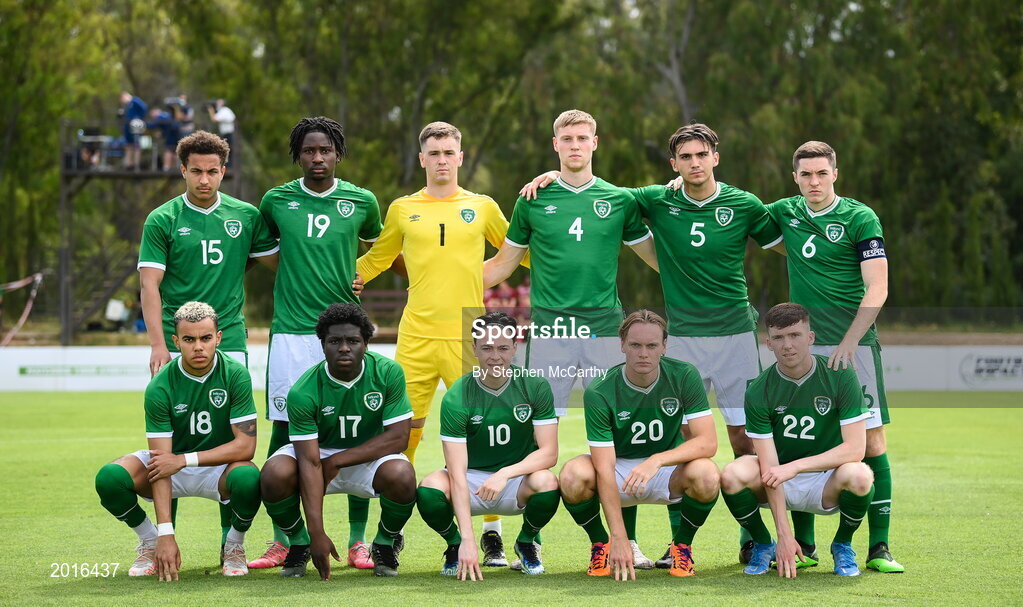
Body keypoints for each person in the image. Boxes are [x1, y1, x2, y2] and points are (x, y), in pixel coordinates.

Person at [522, 123, 784, 566]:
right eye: (686, 157)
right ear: (674, 166)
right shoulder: (652, 199)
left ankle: (754, 537)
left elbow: (789, 240)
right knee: (675, 433)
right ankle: (673, 545)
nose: (695, 163)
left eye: (702, 154)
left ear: (716, 157)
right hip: (680, 336)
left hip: (736, 333)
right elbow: (595, 194)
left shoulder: (744, 203)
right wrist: (550, 178)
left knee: (746, 439)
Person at [356, 122, 525, 565]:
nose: (443, 159)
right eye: (435, 152)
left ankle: (492, 533)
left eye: (450, 151)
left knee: (485, 433)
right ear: (422, 159)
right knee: (401, 437)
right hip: (415, 335)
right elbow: (376, 259)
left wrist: (484, 276)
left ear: (461, 157)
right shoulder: (401, 209)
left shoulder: (482, 206)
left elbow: (516, 250)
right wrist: (337, 278)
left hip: (468, 335)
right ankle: (390, 532)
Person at [765, 141, 903, 573]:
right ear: (795, 178)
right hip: (803, 345)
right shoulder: (785, 212)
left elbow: (877, 287)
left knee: (872, 443)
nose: (814, 182)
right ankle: (803, 546)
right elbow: (724, 203)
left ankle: (878, 547)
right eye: (806, 175)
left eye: (821, 173)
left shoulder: (860, 217)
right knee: (799, 438)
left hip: (855, 346)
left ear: (835, 174)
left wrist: (849, 340)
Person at [255, 116, 383, 570]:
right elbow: (268, 255)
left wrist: (361, 274)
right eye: (308, 151)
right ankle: (284, 538)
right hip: (291, 332)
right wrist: (298, 277)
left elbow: (380, 249)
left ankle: (357, 540)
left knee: (357, 427)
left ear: (338, 154)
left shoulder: (361, 200)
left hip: (344, 331)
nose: (317, 158)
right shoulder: (275, 201)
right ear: (297, 155)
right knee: (284, 428)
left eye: (325, 150)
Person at [93, 302, 261, 580]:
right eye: (189, 339)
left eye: (206, 338)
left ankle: (234, 545)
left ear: (218, 338)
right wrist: (165, 535)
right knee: (110, 478)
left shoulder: (235, 374)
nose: (198, 347)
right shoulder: (160, 385)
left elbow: (246, 446)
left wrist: (184, 460)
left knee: (250, 478)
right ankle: (148, 541)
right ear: (176, 341)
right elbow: (161, 462)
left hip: (216, 467)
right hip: (169, 463)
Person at [258, 303, 417, 579]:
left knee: (402, 475)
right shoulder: (303, 390)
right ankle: (299, 543)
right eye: (335, 341)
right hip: (316, 455)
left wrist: (337, 460)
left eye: (353, 341)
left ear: (366, 343)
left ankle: (383, 544)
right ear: (323, 345)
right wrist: (316, 532)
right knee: (274, 474)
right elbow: (308, 461)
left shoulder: (388, 372)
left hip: (368, 456)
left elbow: (399, 437)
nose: (344, 348)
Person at [560, 310, 719, 580]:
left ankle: (681, 545)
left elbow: (708, 442)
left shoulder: (684, 375)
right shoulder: (599, 390)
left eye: (651, 345)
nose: (643, 353)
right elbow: (603, 466)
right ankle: (602, 544)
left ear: (664, 347)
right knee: (572, 475)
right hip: (618, 468)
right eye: (635, 345)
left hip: (666, 468)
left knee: (707, 474)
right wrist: (618, 536)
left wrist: (655, 460)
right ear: (622, 345)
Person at [720, 302, 874, 577]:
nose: (787, 345)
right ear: (768, 343)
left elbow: (855, 448)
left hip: (826, 479)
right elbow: (769, 467)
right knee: (732, 474)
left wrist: (795, 466)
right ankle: (765, 544)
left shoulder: (840, 375)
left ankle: (842, 545)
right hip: (777, 479)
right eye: (778, 338)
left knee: (861, 475)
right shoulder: (758, 390)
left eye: (795, 335)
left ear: (810, 338)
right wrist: (784, 536)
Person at [417, 312, 560, 579]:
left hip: (516, 480)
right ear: (474, 349)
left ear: (515, 348)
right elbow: (457, 473)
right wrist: (468, 539)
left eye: (503, 348)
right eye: (487, 348)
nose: (495, 356)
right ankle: (454, 543)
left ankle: (526, 542)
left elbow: (549, 453)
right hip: (470, 481)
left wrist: (504, 473)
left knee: (548, 482)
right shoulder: (457, 396)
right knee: (429, 489)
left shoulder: (535, 386)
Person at [138, 130, 278, 376]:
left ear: (222, 172)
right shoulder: (162, 219)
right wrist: (158, 345)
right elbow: (149, 284)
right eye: (196, 171)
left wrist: (342, 276)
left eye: (212, 172)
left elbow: (281, 264)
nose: (204, 180)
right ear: (183, 171)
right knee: (180, 413)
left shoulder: (247, 216)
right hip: (179, 339)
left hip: (229, 336)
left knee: (233, 413)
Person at [119, 91, 147, 169]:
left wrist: (138, 118)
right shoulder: (127, 106)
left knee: (136, 145)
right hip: (128, 128)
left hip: (136, 127)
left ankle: (136, 164)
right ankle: (129, 164)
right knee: (128, 145)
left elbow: (144, 108)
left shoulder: (135, 101)